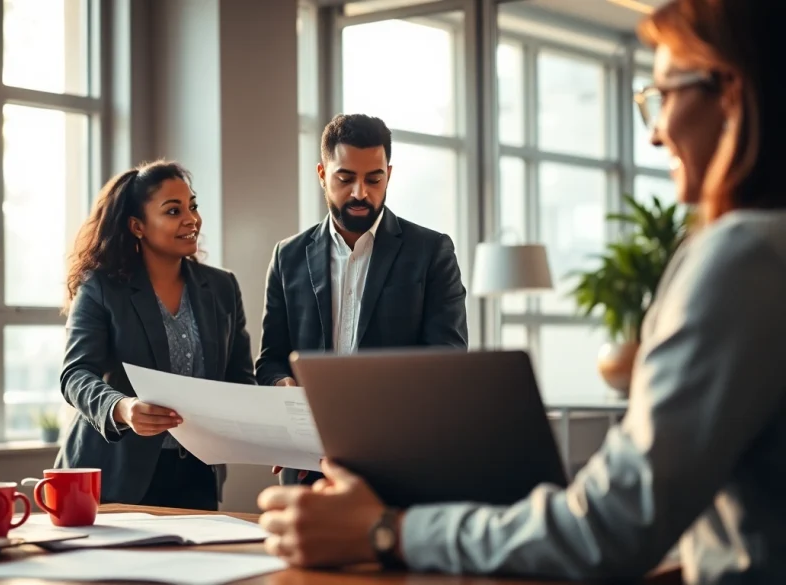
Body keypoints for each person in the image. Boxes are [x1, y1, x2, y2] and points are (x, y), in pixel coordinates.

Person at [257, 0, 786, 582]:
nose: (655, 131)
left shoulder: (744, 255)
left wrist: (386, 529)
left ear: (729, 93)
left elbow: (612, 526)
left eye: (662, 93)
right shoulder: (763, 248)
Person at [255, 113, 469, 486]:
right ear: (322, 174)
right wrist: (282, 390)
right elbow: (271, 359)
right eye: (345, 178)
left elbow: (445, 361)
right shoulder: (287, 257)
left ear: (389, 173)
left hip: (399, 464)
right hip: (307, 466)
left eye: (374, 179)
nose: (359, 193)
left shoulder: (431, 251)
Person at [57, 160, 255, 510]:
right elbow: (75, 374)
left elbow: (239, 379)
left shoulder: (222, 288)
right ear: (137, 226)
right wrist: (122, 407)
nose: (191, 219)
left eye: (192, 206)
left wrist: (279, 435)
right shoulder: (102, 288)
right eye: (173, 210)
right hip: (116, 472)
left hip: (196, 473)